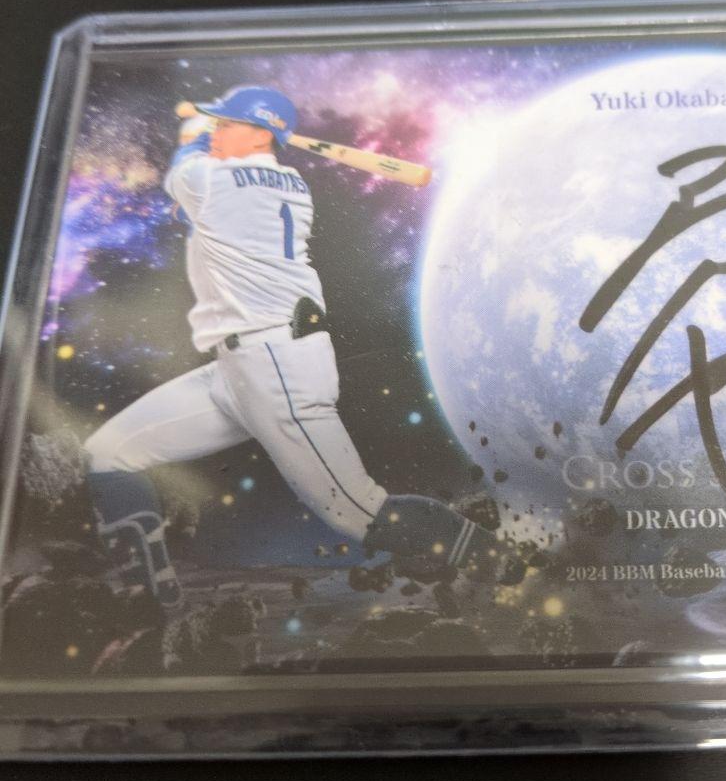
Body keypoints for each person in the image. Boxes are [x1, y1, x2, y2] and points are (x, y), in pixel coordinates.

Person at [84, 85, 494, 606]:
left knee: (358, 512)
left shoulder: (214, 177)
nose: (216, 131)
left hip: (276, 364)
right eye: (216, 124)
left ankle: (497, 557)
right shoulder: (288, 182)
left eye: (227, 124)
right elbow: (199, 212)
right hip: (239, 367)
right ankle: (150, 602)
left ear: (260, 134)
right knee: (110, 453)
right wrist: (214, 135)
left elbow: (185, 168)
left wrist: (194, 134)